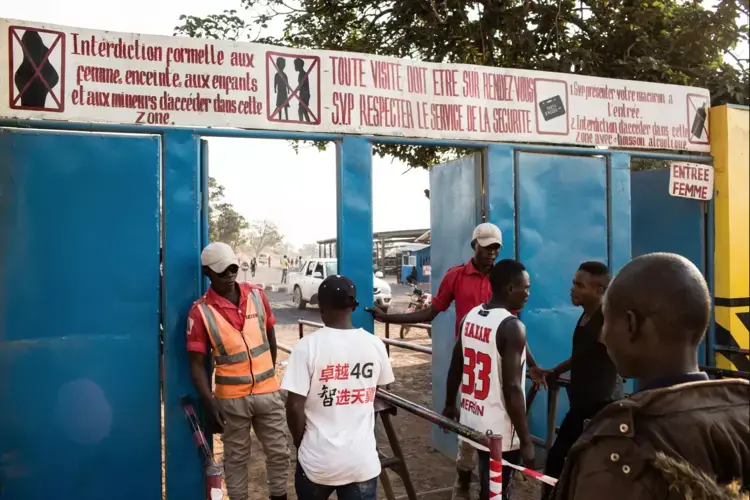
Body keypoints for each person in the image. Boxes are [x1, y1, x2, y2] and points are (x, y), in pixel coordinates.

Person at [552, 253, 750, 500]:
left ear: (631, 325)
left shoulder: (618, 448)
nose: (603, 335)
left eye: (608, 324)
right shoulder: (741, 416)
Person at [371, 223, 545, 498]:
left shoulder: (501, 284)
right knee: (476, 447)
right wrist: (388, 318)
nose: (491, 253)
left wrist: (532, 364)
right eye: (486, 247)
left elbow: (510, 333)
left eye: (496, 248)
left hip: (488, 366)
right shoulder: (458, 277)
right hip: (473, 368)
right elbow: (431, 313)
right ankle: (465, 481)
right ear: (474, 245)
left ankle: (479, 484)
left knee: (485, 449)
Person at [186, 242, 289, 500]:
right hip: (231, 401)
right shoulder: (200, 312)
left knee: (279, 453)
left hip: (268, 394)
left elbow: (270, 337)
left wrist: (270, 377)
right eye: (223, 271)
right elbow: (197, 365)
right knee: (236, 460)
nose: (230, 275)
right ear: (208, 272)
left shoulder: (257, 295)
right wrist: (210, 403)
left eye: (233, 268)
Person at [282, 275, 395, 500]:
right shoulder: (375, 345)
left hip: (317, 462)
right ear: (353, 306)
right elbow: (384, 390)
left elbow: (294, 406)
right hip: (361, 462)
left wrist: (300, 443)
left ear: (321, 307)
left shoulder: (307, 347)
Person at [443, 259, 534, 500]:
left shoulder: (470, 316)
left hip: (473, 417)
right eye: (525, 287)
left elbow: (455, 366)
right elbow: (513, 388)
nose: (528, 293)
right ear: (510, 288)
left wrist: (450, 404)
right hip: (499, 428)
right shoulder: (512, 326)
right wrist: (526, 440)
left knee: (487, 485)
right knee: (496, 492)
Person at [542, 262, 622, 499]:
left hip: (599, 407)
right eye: (573, 283)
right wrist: (556, 370)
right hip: (582, 404)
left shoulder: (605, 321)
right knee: (571, 461)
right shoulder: (586, 315)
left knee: (558, 458)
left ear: (598, 290)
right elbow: (582, 355)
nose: (572, 289)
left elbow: (622, 352)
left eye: (579, 285)